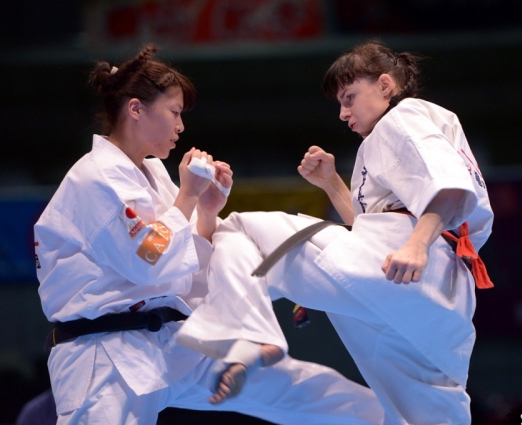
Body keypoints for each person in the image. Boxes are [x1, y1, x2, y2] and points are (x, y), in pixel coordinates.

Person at [34, 43, 385, 424]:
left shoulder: (150, 174)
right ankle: (254, 338)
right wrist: (187, 194)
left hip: (167, 340)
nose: (180, 127)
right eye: (174, 112)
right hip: (103, 354)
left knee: (310, 393)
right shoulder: (96, 177)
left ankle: (396, 417)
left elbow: (187, 268)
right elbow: (149, 263)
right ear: (136, 109)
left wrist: (206, 211)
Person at [176, 40, 494, 424]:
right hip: (438, 296)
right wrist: (331, 184)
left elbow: (451, 188)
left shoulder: (403, 116)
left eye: (349, 98)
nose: (343, 114)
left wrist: (417, 245)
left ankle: (253, 334)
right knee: (424, 416)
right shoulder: (397, 133)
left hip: (410, 262)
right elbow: (370, 227)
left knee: (240, 229)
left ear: (385, 85)